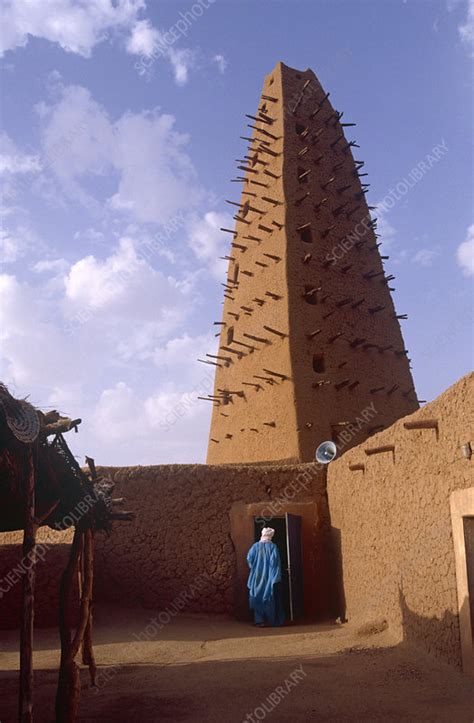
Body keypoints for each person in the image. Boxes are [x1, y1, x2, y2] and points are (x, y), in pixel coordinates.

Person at [246, 527, 285, 627]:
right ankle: (272, 621)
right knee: (269, 598)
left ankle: (259, 621)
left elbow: (249, 559)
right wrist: (275, 577)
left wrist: (255, 569)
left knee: (257, 597)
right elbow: (274, 563)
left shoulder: (255, 546)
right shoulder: (273, 547)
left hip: (257, 577)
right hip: (269, 578)